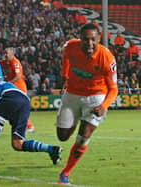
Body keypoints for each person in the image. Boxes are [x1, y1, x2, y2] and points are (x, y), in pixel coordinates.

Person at [57, 23, 118, 184]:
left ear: (99, 38)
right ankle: (76, 120)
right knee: (62, 136)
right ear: (80, 39)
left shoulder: (107, 58)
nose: (89, 43)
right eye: (86, 39)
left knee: (84, 136)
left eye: (93, 39)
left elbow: (113, 89)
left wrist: (103, 106)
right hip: (72, 94)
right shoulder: (70, 46)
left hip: (96, 97)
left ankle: (65, 173)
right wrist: (64, 77)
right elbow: (66, 59)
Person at [0, 47, 35, 132]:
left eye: (6, 53)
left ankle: (0, 125)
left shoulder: (15, 62)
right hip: (13, 89)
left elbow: (18, 76)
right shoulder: (6, 62)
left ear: (12, 54)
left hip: (20, 89)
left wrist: (9, 82)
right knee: (15, 109)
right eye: (4, 53)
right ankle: (28, 126)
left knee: (12, 107)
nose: (4, 55)